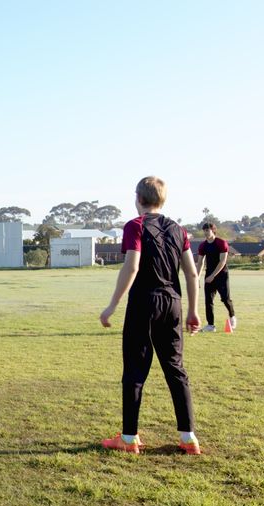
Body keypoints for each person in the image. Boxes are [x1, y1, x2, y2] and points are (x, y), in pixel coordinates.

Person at [99, 177, 202, 455]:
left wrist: (112, 306)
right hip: (173, 303)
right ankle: (188, 438)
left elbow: (131, 267)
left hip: (144, 303)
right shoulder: (179, 230)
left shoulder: (135, 225)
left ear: (138, 198)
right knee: (176, 369)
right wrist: (193, 310)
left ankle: (129, 438)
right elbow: (192, 273)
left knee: (135, 370)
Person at [197, 223, 236, 332]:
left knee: (225, 299)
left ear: (213, 230)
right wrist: (197, 278)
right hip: (209, 275)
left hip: (222, 275)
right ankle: (210, 325)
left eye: (207, 230)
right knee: (208, 300)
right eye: (204, 230)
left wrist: (213, 276)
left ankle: (232, 317)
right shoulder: (203, 245)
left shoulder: (221, 243)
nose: (205, 232)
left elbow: (222, 261)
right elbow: (200, 263)